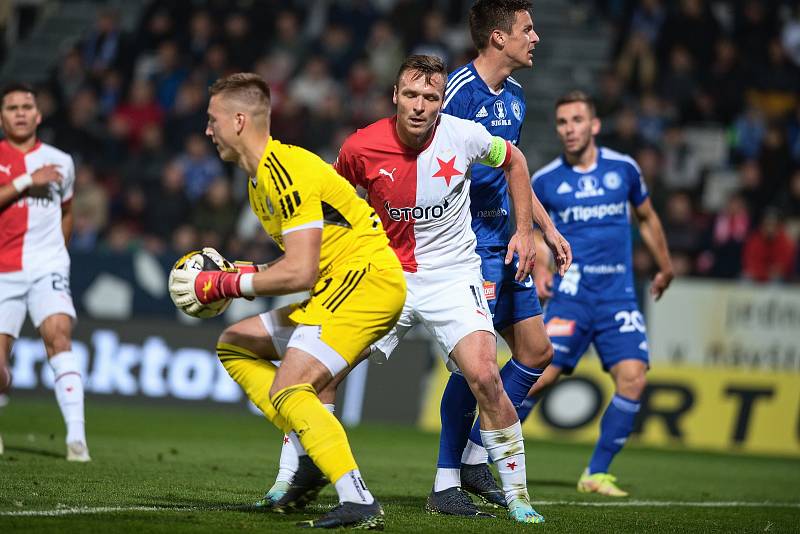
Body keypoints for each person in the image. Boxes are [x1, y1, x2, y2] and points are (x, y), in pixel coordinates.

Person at [261, 54, 547, 525]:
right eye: (410, 95)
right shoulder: (361, 146)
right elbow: (330, 199)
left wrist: (523, 230)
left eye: (430, 97)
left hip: (454, 275)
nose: (419, 105)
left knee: (486, 377)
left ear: (440, 102)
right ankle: (288, 480)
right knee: (320, 376)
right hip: (384, 277)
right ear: (395, 96)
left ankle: (518, 496)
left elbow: (515, 161)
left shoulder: (466, 135)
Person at [168, 72, 406, 529]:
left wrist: (225, 286)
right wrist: (243, 272)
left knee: (288, 386)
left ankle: (357, 500)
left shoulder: (283, 172)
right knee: (234, 342)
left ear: (239, 120)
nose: (207, 130)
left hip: (365, 280)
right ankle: (315, 449)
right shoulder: (259, 183)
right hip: (340, 282)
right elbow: (303, 262)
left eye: (212, 119)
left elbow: (300, 272)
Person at [436, 0, 571, 512]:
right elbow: (429, 171)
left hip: (509, 241)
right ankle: (446, 482)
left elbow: (515, 171)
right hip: (467, 247)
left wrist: (543, 229)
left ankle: (474, 458)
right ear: (498, 37)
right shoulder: (456, 95)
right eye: (526, 29)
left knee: (536, 353)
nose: (535, 37)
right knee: (476, 366)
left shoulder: (514, 97)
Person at [526, 90, 674, 496]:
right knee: (536, 380)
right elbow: (534, 233)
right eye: (562, 123)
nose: (569, 129)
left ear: (594, 125)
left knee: (633, 378)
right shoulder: (545, 180)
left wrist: (664, 264)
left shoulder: (623, 169)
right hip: (570, 296)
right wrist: (540, 266)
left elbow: (646, 217)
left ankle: (596, 472)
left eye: (576, 121)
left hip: (617, 297)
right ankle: (482, 460)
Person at [0, 82, 89, 462]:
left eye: (26, 106)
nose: (20, 112)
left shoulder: (61, 160)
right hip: (3, 271)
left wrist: (58, 256)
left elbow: (67, 212)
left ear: (38, 115)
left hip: (47, 266)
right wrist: (25, 182)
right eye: (11, 107)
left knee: (58, 335)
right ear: (2, 117)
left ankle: (77, 439)